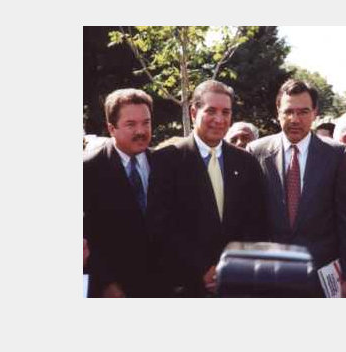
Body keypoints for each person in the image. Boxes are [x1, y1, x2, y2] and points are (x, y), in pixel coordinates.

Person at [147, 80, 268, 297]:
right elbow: (162, 225)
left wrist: (233, 267)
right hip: (186, 284)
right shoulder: (167, 160)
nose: (219, 120)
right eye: (211, 111)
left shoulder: (246, 162)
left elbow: (256, 223)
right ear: (194, 112)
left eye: (226, 112)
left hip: (237, 282)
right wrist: (202, 269)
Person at [246, 79, 346, 297]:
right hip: (269, 275)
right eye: (288, 111)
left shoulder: (337, 155)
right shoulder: (256, 151)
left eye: (303, 112)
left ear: (315, 112)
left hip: (321, 276)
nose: (295, 119)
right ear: (277, 111)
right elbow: (250, 217)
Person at [83, 88, 163, 297]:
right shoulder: (88, 170)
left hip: (163, 286)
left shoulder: (165, 163)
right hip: (114, 289)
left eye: (146, 122)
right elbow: (87, 236)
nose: (141, 131)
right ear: (112, 128)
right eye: (131, 124)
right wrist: (106, 283)